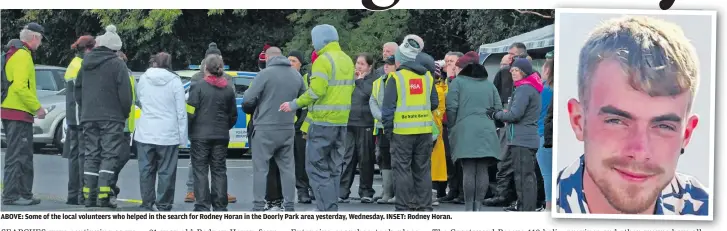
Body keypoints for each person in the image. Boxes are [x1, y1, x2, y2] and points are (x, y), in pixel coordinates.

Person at [557, 16, 708, 215]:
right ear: (578, 121)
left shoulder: (707, 211)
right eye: (616, 121)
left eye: (663, 126)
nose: (639, 151)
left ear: (686, 135)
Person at [279, 24, 355, 212]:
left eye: (314, 39)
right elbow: (351, 88)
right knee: (334, 167)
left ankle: (326, 209)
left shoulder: (323, 60)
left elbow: (317, 91)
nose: (313, 43)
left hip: (322, 122)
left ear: (321, 40)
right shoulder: (346, 60)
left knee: (316, 167)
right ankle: (331, 207)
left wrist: (294, 104)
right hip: (341, 122)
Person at [75, 25, 133, 208]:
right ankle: (103, 197)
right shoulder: (118, 64)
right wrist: (124, 113)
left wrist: (85, 108)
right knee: (109, 155)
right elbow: (126, 95)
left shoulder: (85, 63)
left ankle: (88, 197)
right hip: (112, 118)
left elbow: (78, 90)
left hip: (88, 116)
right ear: (115, 48)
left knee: (91, 155)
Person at [381, 34, 439, 211]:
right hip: (424, 132)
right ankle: (424, 206)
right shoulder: (427, 77)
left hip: (402, 133)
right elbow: (434, 103)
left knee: (402, 169)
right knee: (422, 169)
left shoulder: (396, 78)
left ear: (400, 60)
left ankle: (403, 206)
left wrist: (388, 130)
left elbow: (388, 109)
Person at [243, 47, 305, 212]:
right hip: (287, 127)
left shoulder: (264, 74)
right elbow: (304, 100)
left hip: (264, 128)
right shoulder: (296, 75)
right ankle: (289, 205)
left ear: (268, 58)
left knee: (261, 169)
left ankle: (258, 206)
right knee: (287, 168)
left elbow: (248, 100)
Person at [446, 51, 501, 211]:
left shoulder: (457, 83)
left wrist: (453, 126)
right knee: (482, 169)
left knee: (469, 169)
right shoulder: (489, 84)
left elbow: (451, 108)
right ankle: (478, 207)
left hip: (464, 131)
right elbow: (498, 108)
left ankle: (469, 207)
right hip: (487, 130)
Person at [486, 57, 542, 211]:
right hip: (526, 138)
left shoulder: (524, 89)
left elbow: (515, 115)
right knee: (527, 178)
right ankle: (526, 208)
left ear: (524, 72)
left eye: (517, 70)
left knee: (523, 179)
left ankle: (526, 211)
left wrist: (496, 114)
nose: (513, 73)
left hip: (522, 139)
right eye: (512, 70)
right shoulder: (531, 87)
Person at [184, 42, 237, 204]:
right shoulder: (228, 85)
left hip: (200, 134)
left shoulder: (197, 83)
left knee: (199, 169)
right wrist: (224, 126)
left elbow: (190, 110)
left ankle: (202, 203)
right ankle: (220, 203)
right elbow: (232, 113)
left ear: (205, 66)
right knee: (219, 169)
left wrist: (191, 129)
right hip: (221, 134)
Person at [133, 52, 187, 211]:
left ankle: (147, 203)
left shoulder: (143, 78)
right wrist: (182, 138)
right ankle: (163, 204)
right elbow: (181, 112)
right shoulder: (175, 81)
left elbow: (140, 99)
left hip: (145, 131)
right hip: (168, 134)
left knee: (146, 170)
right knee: (167, 172)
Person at [1, 22, 46, 206]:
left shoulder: (14, 53)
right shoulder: (23, 56)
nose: (41, 43)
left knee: (22, 155)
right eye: (41, 39)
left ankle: (24, 193)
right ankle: (13, 195)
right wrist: (37, 107)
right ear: (34, 37)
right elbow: (20, 86)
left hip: (12, 110)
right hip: (17, 112)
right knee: (18, 155)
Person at [484, 43, 529, 209]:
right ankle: (501, 194)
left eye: (513, 55)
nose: (510, 58)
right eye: (509, 55)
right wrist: (498, 115)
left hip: (523, 126)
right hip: (505, 124)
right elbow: (493, 95)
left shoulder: (532, 76)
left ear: (522, 57)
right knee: (503, 159)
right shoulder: (503, 74)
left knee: (521, 163)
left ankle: (518, 198)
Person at [340, 52, 377, 204]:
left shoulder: (373, 80)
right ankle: (342, 191)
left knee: (365, 159)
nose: (358, 66)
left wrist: (360, 81)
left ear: (369, 66)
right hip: (349, 123)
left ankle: (366, 191)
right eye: (357, 63)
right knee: (347, 158)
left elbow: (368, 94)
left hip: (366, 123)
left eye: (362, 64)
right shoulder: (350, 78)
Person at [62, 35, 95, 206]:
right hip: (80, 117)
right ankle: (82, 195)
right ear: (89, 48)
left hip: (72, 117)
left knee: (74, 157)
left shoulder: (73, 63)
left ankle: (72, 195)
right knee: (83, 156)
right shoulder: (83, 64)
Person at [288, 50, 314, 204]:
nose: (290, 63)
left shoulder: (305, 79)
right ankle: (298, 191)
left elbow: (306, 104)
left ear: (300, 64)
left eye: (294, 61)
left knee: (303, 160)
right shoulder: (283, 78)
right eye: (289, 60)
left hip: (302, 126)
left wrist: (300, 123)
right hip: (286, 126)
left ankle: (306, 189)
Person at [370, 55, 397, 204]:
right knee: (384, 158)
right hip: (381, 126)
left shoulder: (398, 80)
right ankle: (387, 192)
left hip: (395, 126)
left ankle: (395, 193)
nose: (386, 66)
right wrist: (382, 117)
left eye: (390, 64)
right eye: (385, 64)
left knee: (396, 159)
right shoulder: (378, 82)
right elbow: (372, 101)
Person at [439, 51, 464, 204]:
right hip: (445, 124)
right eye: (447, 61)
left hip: (459, 125)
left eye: (452, 61)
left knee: (459, 160)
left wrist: (450, 79)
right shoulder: (444, 80)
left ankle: (461, 192)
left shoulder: (459, 81)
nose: (448, 64)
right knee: (449, 160)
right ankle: (452, 189)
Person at [536, 54, 554, 210]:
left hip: (541, 133)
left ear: (547, 70)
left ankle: (549, 207)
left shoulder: (542, 88)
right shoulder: (560, 89)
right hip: (555, 134)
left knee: (547, 174)